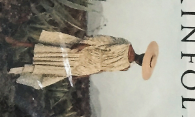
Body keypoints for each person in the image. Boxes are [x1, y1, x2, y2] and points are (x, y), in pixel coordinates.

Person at [8, 31, 159, 89]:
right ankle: (18, 43)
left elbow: (102, 70)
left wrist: (82, 76)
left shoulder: (125, 67)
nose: (140, 61)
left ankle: (16, 68)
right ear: (144, 54)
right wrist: (84, 44)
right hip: (85, 54)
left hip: (86, 67)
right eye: (143, 59)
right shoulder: (126, 44)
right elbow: (102, 40)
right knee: (51, 51)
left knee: (51, 68)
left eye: (142, 63)